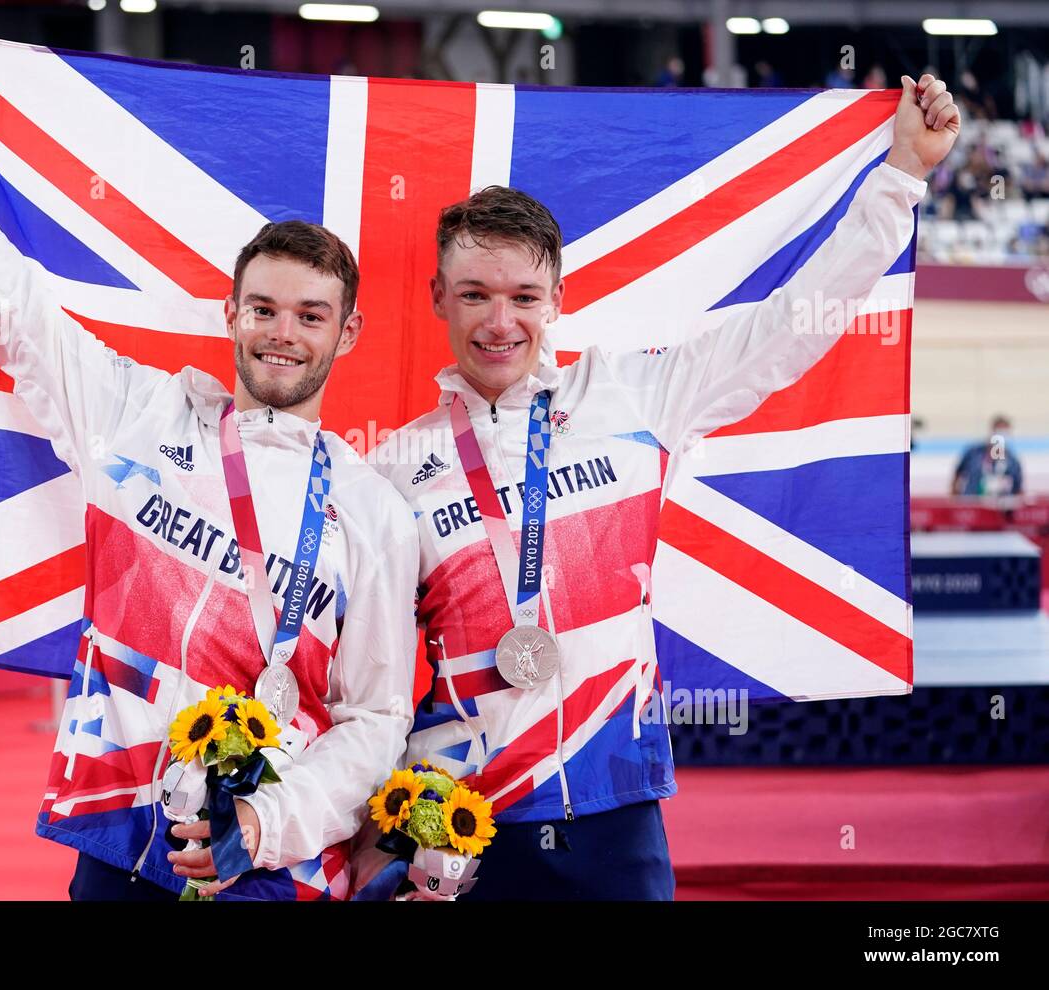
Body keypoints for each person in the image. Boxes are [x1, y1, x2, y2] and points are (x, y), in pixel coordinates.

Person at [0, 25, 419, 901]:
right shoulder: (138, 415)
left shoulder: (372, 507)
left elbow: (377, 717)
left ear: (346, 334)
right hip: (118, 839)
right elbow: (10, 308)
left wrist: (271, 822)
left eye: (311, 316)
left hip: (277, 867)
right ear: (231, 314)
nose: (282, 333)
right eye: (263, 308)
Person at [370, 73, 960, 899]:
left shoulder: (637, 399)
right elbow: (364, 668)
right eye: (474, 294)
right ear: (439, 297)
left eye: (523, 296)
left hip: (616, 801)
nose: (499, 322)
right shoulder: (391, 468)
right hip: (459, 822)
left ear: (559, 300)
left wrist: (901, 174)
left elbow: (793, 321)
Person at [953, 415, 1024, 496]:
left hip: (1000, 505)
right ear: (992, 431)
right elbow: (957, 475)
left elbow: (1018, 488)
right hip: (973, 503)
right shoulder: (973, 453)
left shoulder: (1012, 461)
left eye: (1004, 433)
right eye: (999, 432)